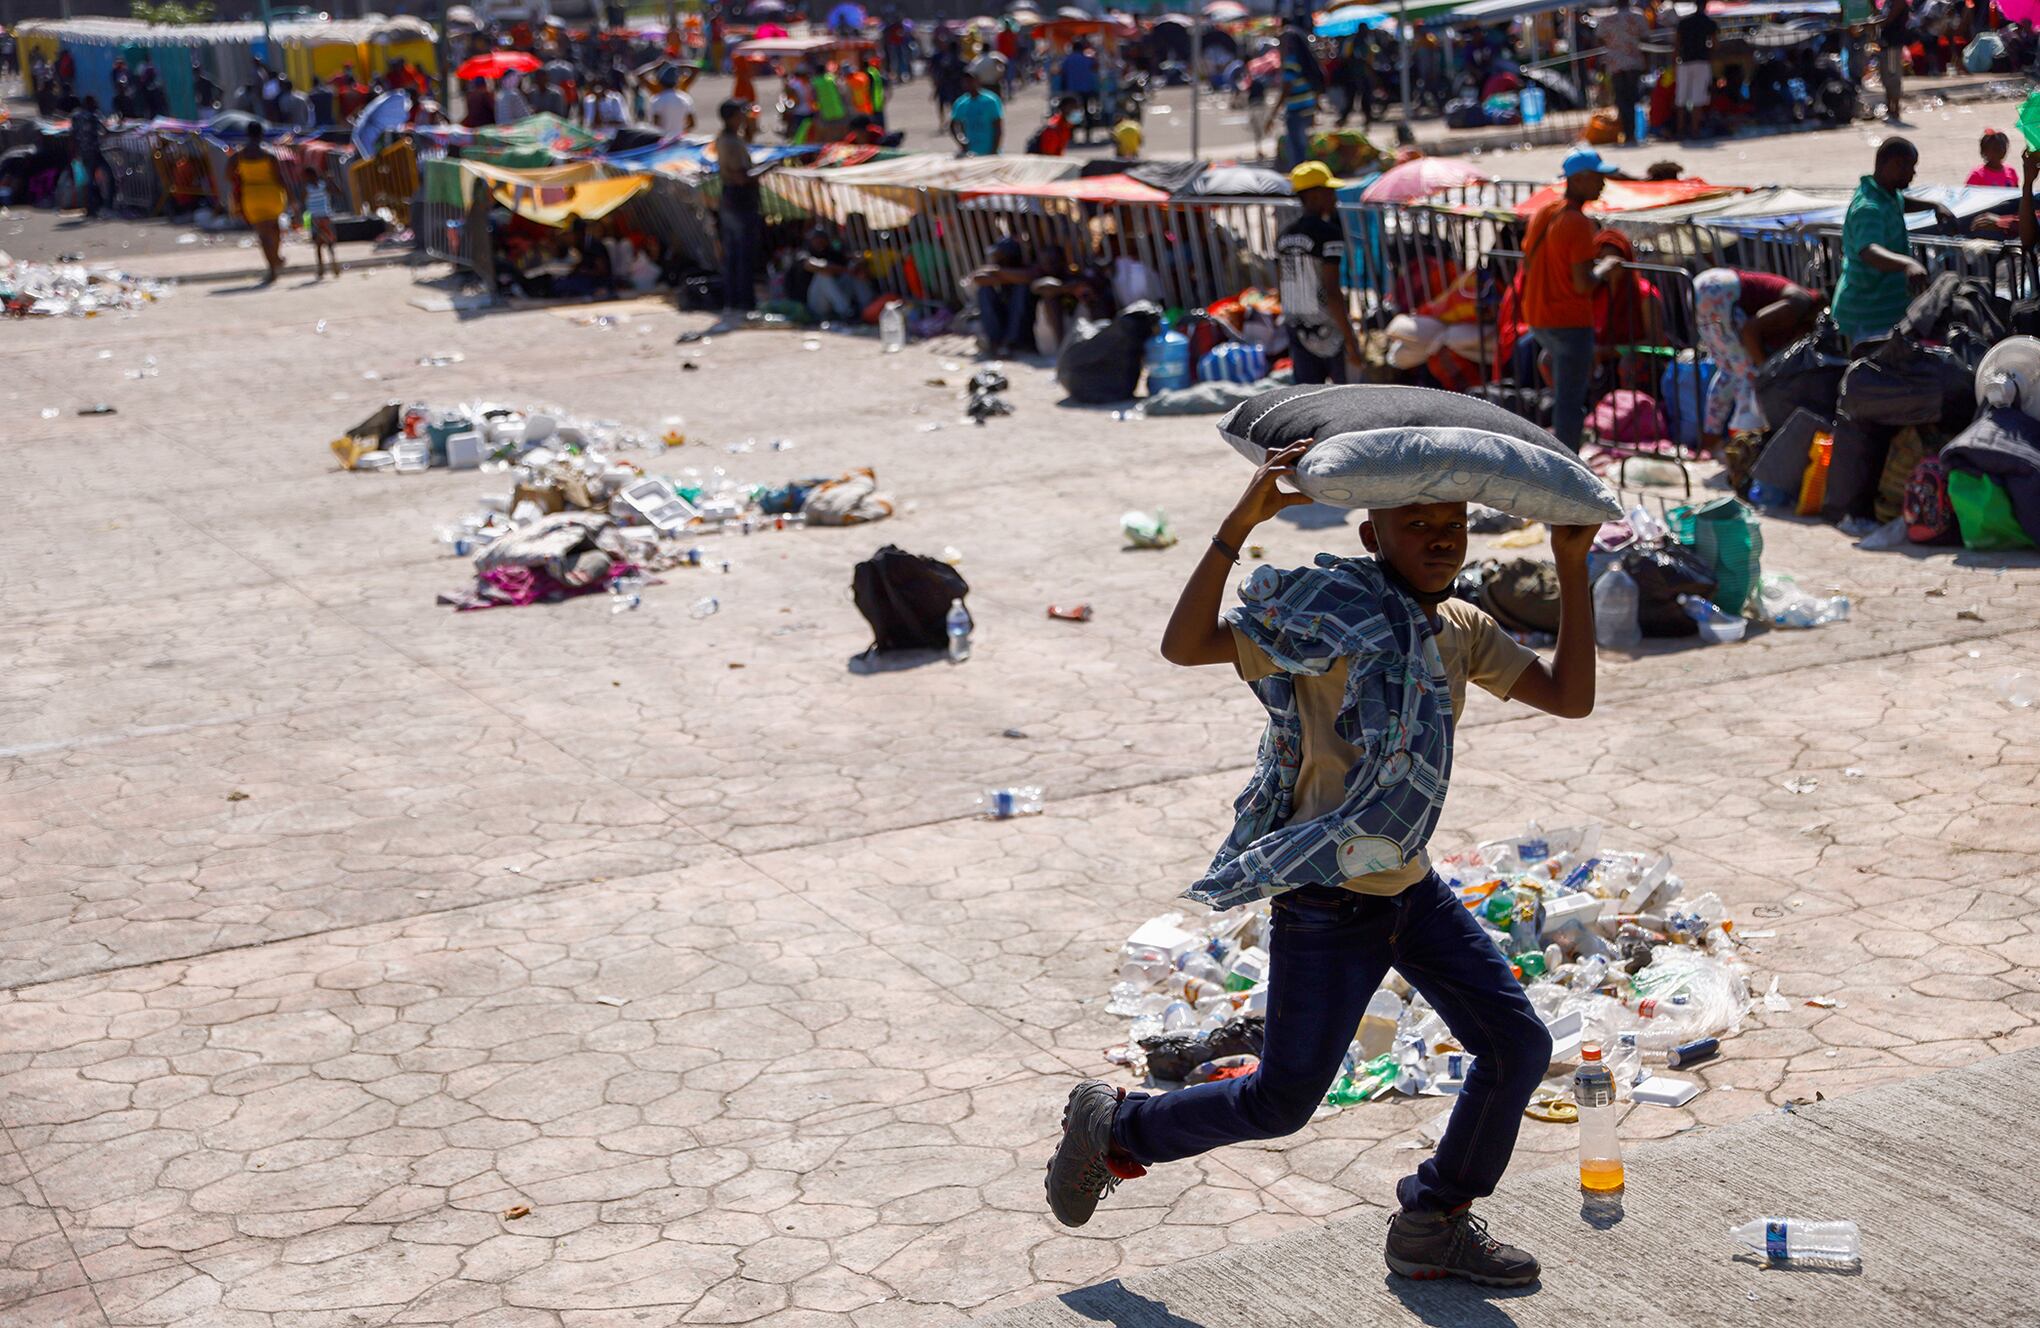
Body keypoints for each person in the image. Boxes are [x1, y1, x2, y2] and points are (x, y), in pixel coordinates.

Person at [1045, 441, 1601, 1290]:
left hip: (1408, 888)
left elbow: (1571, 698)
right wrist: (1243, 521)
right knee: (1282, 1100)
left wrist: (1570, 563)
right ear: (1373, 535)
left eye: (1450, 524)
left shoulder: (1461, 629)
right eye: (1415, 524)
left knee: (1516, 1045)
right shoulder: (1325, 622)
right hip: (1326, 900)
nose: (1439, 538)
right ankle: (1117, 1128)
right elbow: (1185, 644)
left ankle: (1433, 1222)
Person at [1522, 149, 1622, 451]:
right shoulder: (1577, 223)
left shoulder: (1545, 211)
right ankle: (1568, 467)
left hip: (1539, 317)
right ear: (1578, 180)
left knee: (1564, 393)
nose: (1603, 184)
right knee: (1570, 403)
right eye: (1598, 177)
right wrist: (1606, 268)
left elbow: (1528, 263)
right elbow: (1583, 284)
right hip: (1569, 322)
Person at [1831, 137, 1955, 345]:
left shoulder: (1886, 194)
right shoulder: (1868, 207)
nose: (1914, 174)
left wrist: (1934, 206)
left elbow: (1900, 203)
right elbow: (1869, 251)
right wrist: (1907, 263)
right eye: (1911, 167)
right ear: (1895, 164)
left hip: (1888, 311)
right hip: (1867, 316)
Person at [1692, 268, 1822, 444]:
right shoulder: (1799, 304)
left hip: (1701, 289)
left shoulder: (1793, 302)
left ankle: (1709, 439)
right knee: (1749, 374)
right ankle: (1745, 445)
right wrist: (1766, 373)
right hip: (1721, 294)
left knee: (1727, 372)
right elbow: (1750, 331)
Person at [1274, 161, 1358, 385]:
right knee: (1345, 400)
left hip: (1298, 329)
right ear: (1315, 196)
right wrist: (1351, 340)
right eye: (1330, 192)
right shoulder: (1328, 234)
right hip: (1329, 328)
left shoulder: (1284, 236)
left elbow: (1283, 285)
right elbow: (1331, 291)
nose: (1334, 198)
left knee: (1309, 401)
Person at [714, 97, 774, 318]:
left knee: (734, 254)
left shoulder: (726, 139)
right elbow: (742, 177)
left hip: (731, 199)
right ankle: (744, 302)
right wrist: (767, 169)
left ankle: (734, 301)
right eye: (740, 113)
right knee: (743, 254)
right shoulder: (731, 142)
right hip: (740, 200)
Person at [232, 123, 289, 283]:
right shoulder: (269, 154)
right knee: (275, 228)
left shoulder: (239, 155)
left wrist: (242, 179)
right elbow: (280, 178)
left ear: (247, 134)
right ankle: (276, 257)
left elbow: (228, 174)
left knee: (263, 235)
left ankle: (272, 268)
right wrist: (292, 198)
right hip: (271, 194)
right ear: (261, 134)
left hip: (251, 195)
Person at [971, 233, 1036, 357]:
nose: (994, 257)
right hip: (1004, 317)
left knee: (1022, 290)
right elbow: (978, 278)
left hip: (1025, 325)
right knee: (984, 291)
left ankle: (1011, 343)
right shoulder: (997, 271)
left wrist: (1000, 274)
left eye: (998, 254)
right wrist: (1005, 276)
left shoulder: (1025, 268)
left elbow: (1027, 277)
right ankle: (996, 342)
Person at [797, 223, 877, 320]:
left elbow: (854, 258)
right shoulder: (803, 253)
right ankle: (847, 313)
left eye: (822, 238)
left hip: (834, 302)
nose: (819, 241)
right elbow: (812, 265)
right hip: (815, 307)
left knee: (854, 274)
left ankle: (869, 308)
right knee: (823, 275)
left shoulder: (831, 253)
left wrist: (858, 263)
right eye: (816, 238)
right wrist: (845, 270)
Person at [1598, 0, 1650, 145]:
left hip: (1615, 63)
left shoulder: (1607, 17)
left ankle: (1626, 132)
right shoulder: (1638, 15)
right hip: (1633, 62)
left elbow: (1599, 38)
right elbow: (1645, 37)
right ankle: (1630, 133)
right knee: (1632, 98)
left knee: (1621, 99)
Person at [1278, 17, 1324, 167]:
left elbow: (1286, 89)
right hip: (1307, 108)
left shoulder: (1292, 62)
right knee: (1304, 146)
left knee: (1296, 149)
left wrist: (1272, 114)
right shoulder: (1306, 61)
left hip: (1296, 110)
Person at [1675, 0, 1717, 139]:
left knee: (1681, 98)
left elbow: (1677, 44)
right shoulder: (1709, 23)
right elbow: (1715, 44)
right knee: (1698, 99)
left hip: (1685, 62)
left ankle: (1680, 130)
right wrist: (1710, 56)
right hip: (1701, 62)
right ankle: (1695, 130)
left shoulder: (1684, 23)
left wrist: (1675, 62)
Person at [70, 96, 108, 217]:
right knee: (101, 175)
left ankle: (92, 205)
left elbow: (73, 135)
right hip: (94, 151)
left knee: (89, 178)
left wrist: (74, 152)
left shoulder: (76, 116)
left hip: (83, 152)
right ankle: (94, 207)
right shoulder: (93, 116)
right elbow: (104, 130)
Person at [950, 71, 1004, 156]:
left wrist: (995, 149)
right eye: (966, 82)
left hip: (989, 148)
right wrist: (962, 141)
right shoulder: (961, 103)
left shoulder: (990, 101)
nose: (968, 84)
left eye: (971, 81)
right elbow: (953, 124)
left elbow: (997, 125)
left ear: (977, 81)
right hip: (971, 151)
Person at [1877, 0, 1910, 123]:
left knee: (1893, 75)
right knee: (1886, 76)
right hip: (1886, 43)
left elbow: (1889, 19)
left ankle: (1894, 108)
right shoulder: (1887, 2)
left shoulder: (1898, 2)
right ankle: (1889, 108)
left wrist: (1874, 24)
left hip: (1893, 43)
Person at [1061, 41, 1100, 141]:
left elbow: (1062, 71)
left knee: (1073, 112)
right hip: (1086, 88)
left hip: (1073, 90)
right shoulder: (1087, 59)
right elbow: (1095, 67)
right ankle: (1088, 134)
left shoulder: (1068, 59)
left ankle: (1072, 135)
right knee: (1087, 111)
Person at [303, 174, 340, 280]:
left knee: (321, 244)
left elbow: (337, 191)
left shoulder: (312, 188)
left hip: (318, 218)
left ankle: (323, 268)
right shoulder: (320, 186)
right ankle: (330, 266)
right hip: (321, 218)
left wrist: (330, 181)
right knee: (326, 243)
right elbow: (337, 191)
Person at [649, 66, 696, 136]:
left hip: (663, 140)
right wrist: (681, 133)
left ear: (660, 82)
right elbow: (692, 124)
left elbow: (656, 125)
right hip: (679, 139)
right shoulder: (686, 98)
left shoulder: (656, 100)